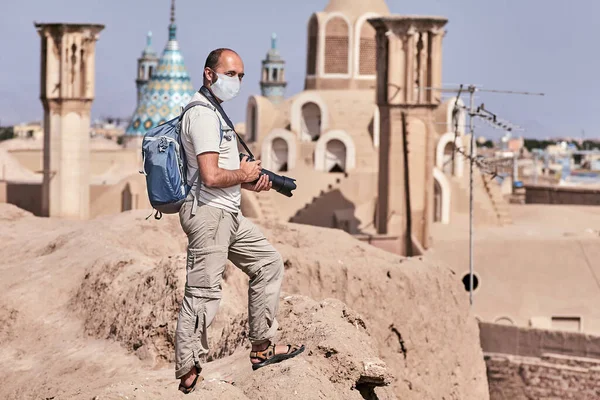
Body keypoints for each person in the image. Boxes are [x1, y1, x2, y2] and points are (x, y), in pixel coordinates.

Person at [175, 48, 304, 394]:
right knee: (203, 292)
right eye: (231, 74)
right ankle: (188, 370)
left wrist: (251, 180)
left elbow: (225, 175)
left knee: (268, 263)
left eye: (241, 76)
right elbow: (211, 176)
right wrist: (241, 173)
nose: (237, 82)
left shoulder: (217, 114)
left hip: (229, 212)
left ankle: (261, 348)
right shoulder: (202, 116)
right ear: (209, 74)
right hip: (209, 212)